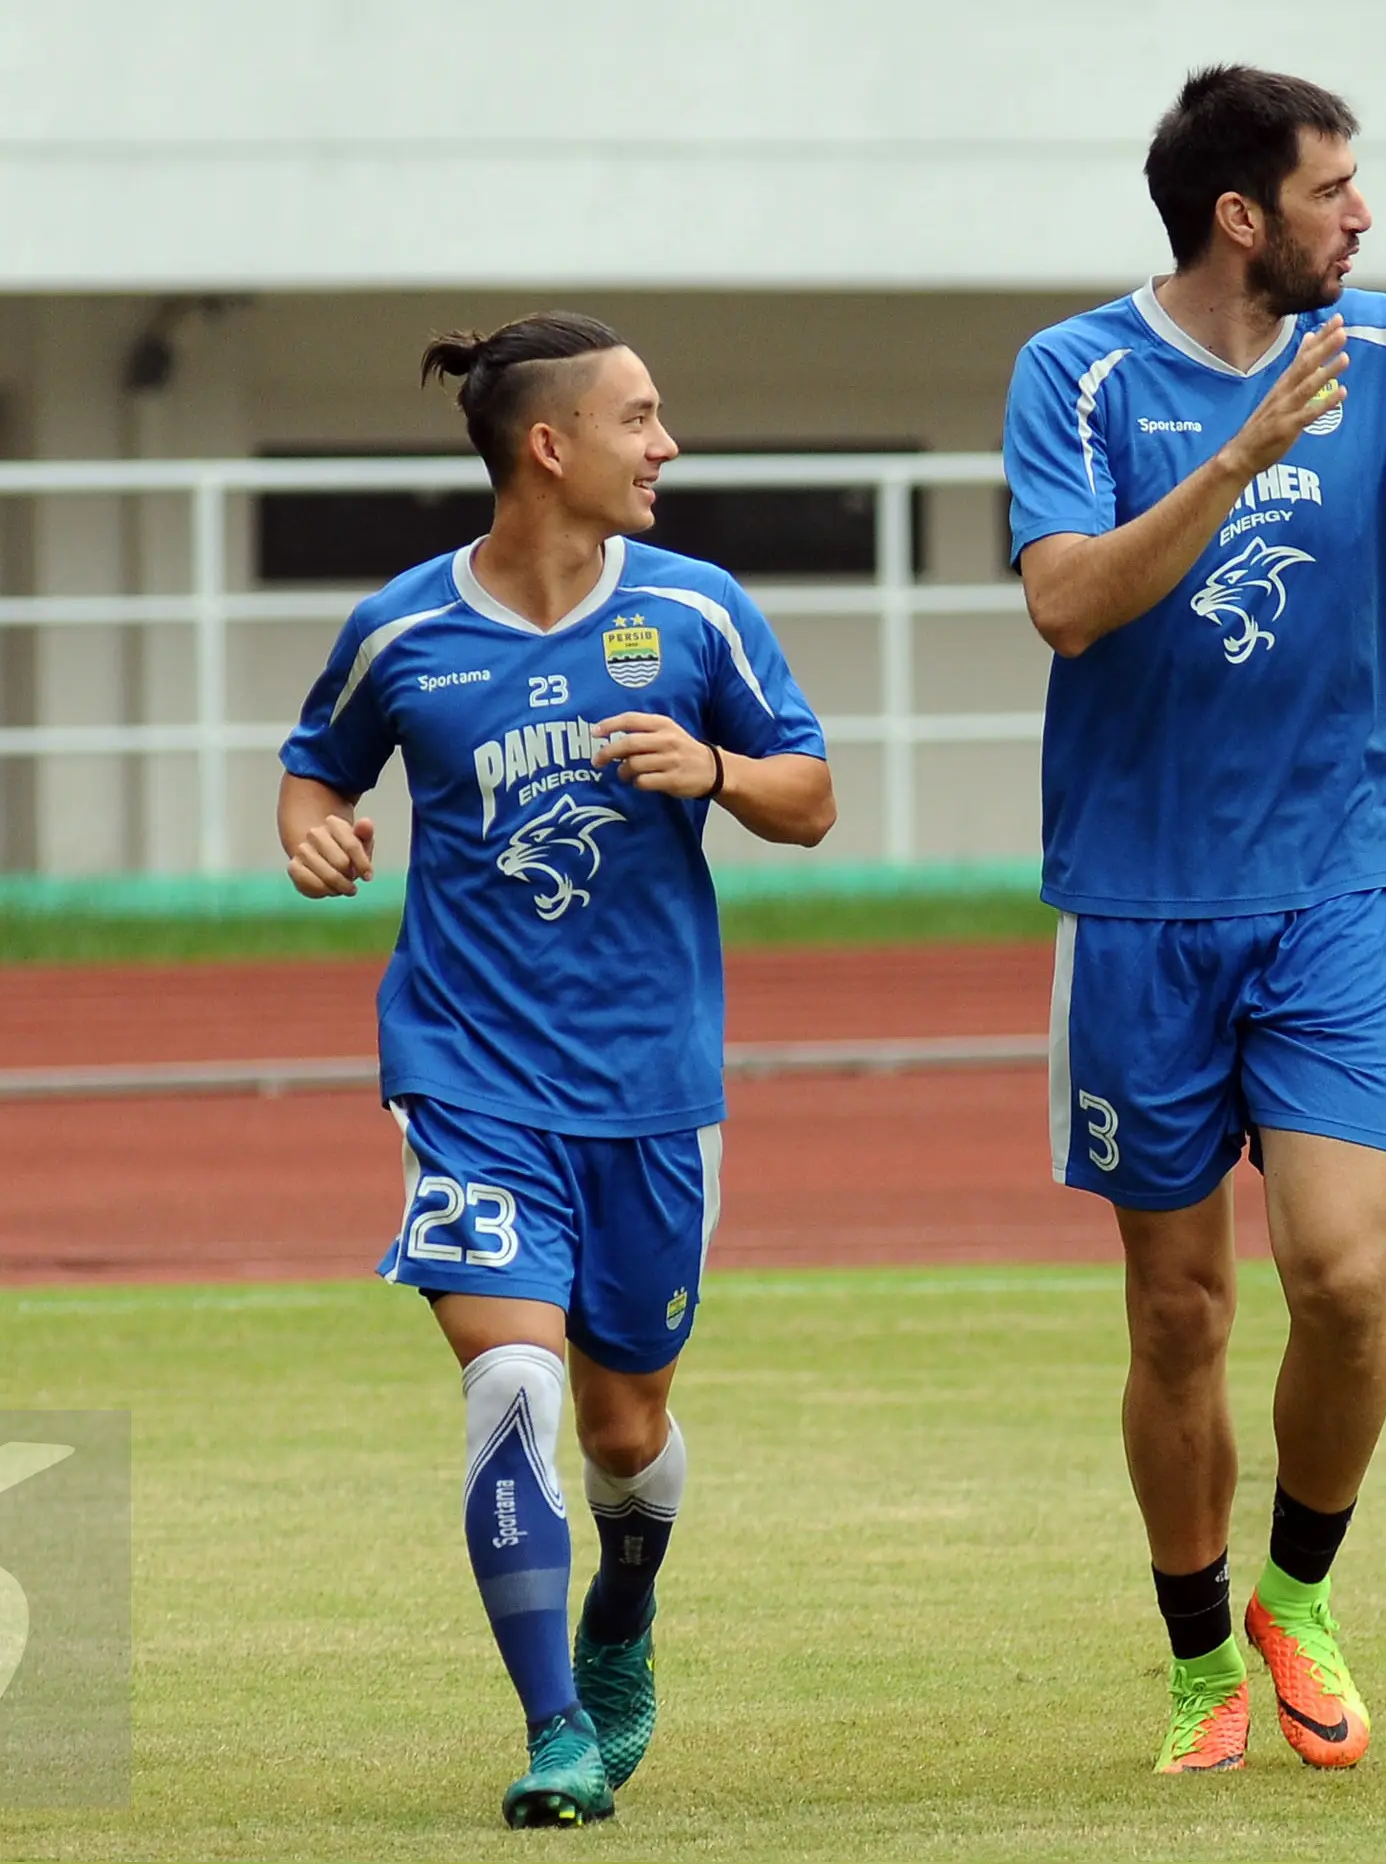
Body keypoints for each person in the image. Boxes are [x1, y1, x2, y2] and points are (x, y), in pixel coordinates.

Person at [1000, 65, 1386, 1774]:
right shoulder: (1077, 373)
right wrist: (1240, 455)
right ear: (1243, 215)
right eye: (1336, 187)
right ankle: (1199, 1669)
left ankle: (1299, 1595)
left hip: (1335, 882)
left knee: (1340, 1276)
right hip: (1136, 906)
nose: (1365, 216)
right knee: (1178, 1310)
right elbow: (1067, 605)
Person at [276, 312, 835, 1824]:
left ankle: (625, 1612)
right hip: (467, 1078)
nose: (667, 447)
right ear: (551, 446)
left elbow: (812, 797)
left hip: (654, 1091)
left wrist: (713, 769)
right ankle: (555, 1732)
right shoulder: (403, 627)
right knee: (512, 1380)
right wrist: (310, 825)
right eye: (641, 419)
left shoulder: (699, 614)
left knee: (623, 1427)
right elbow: (318, 756)